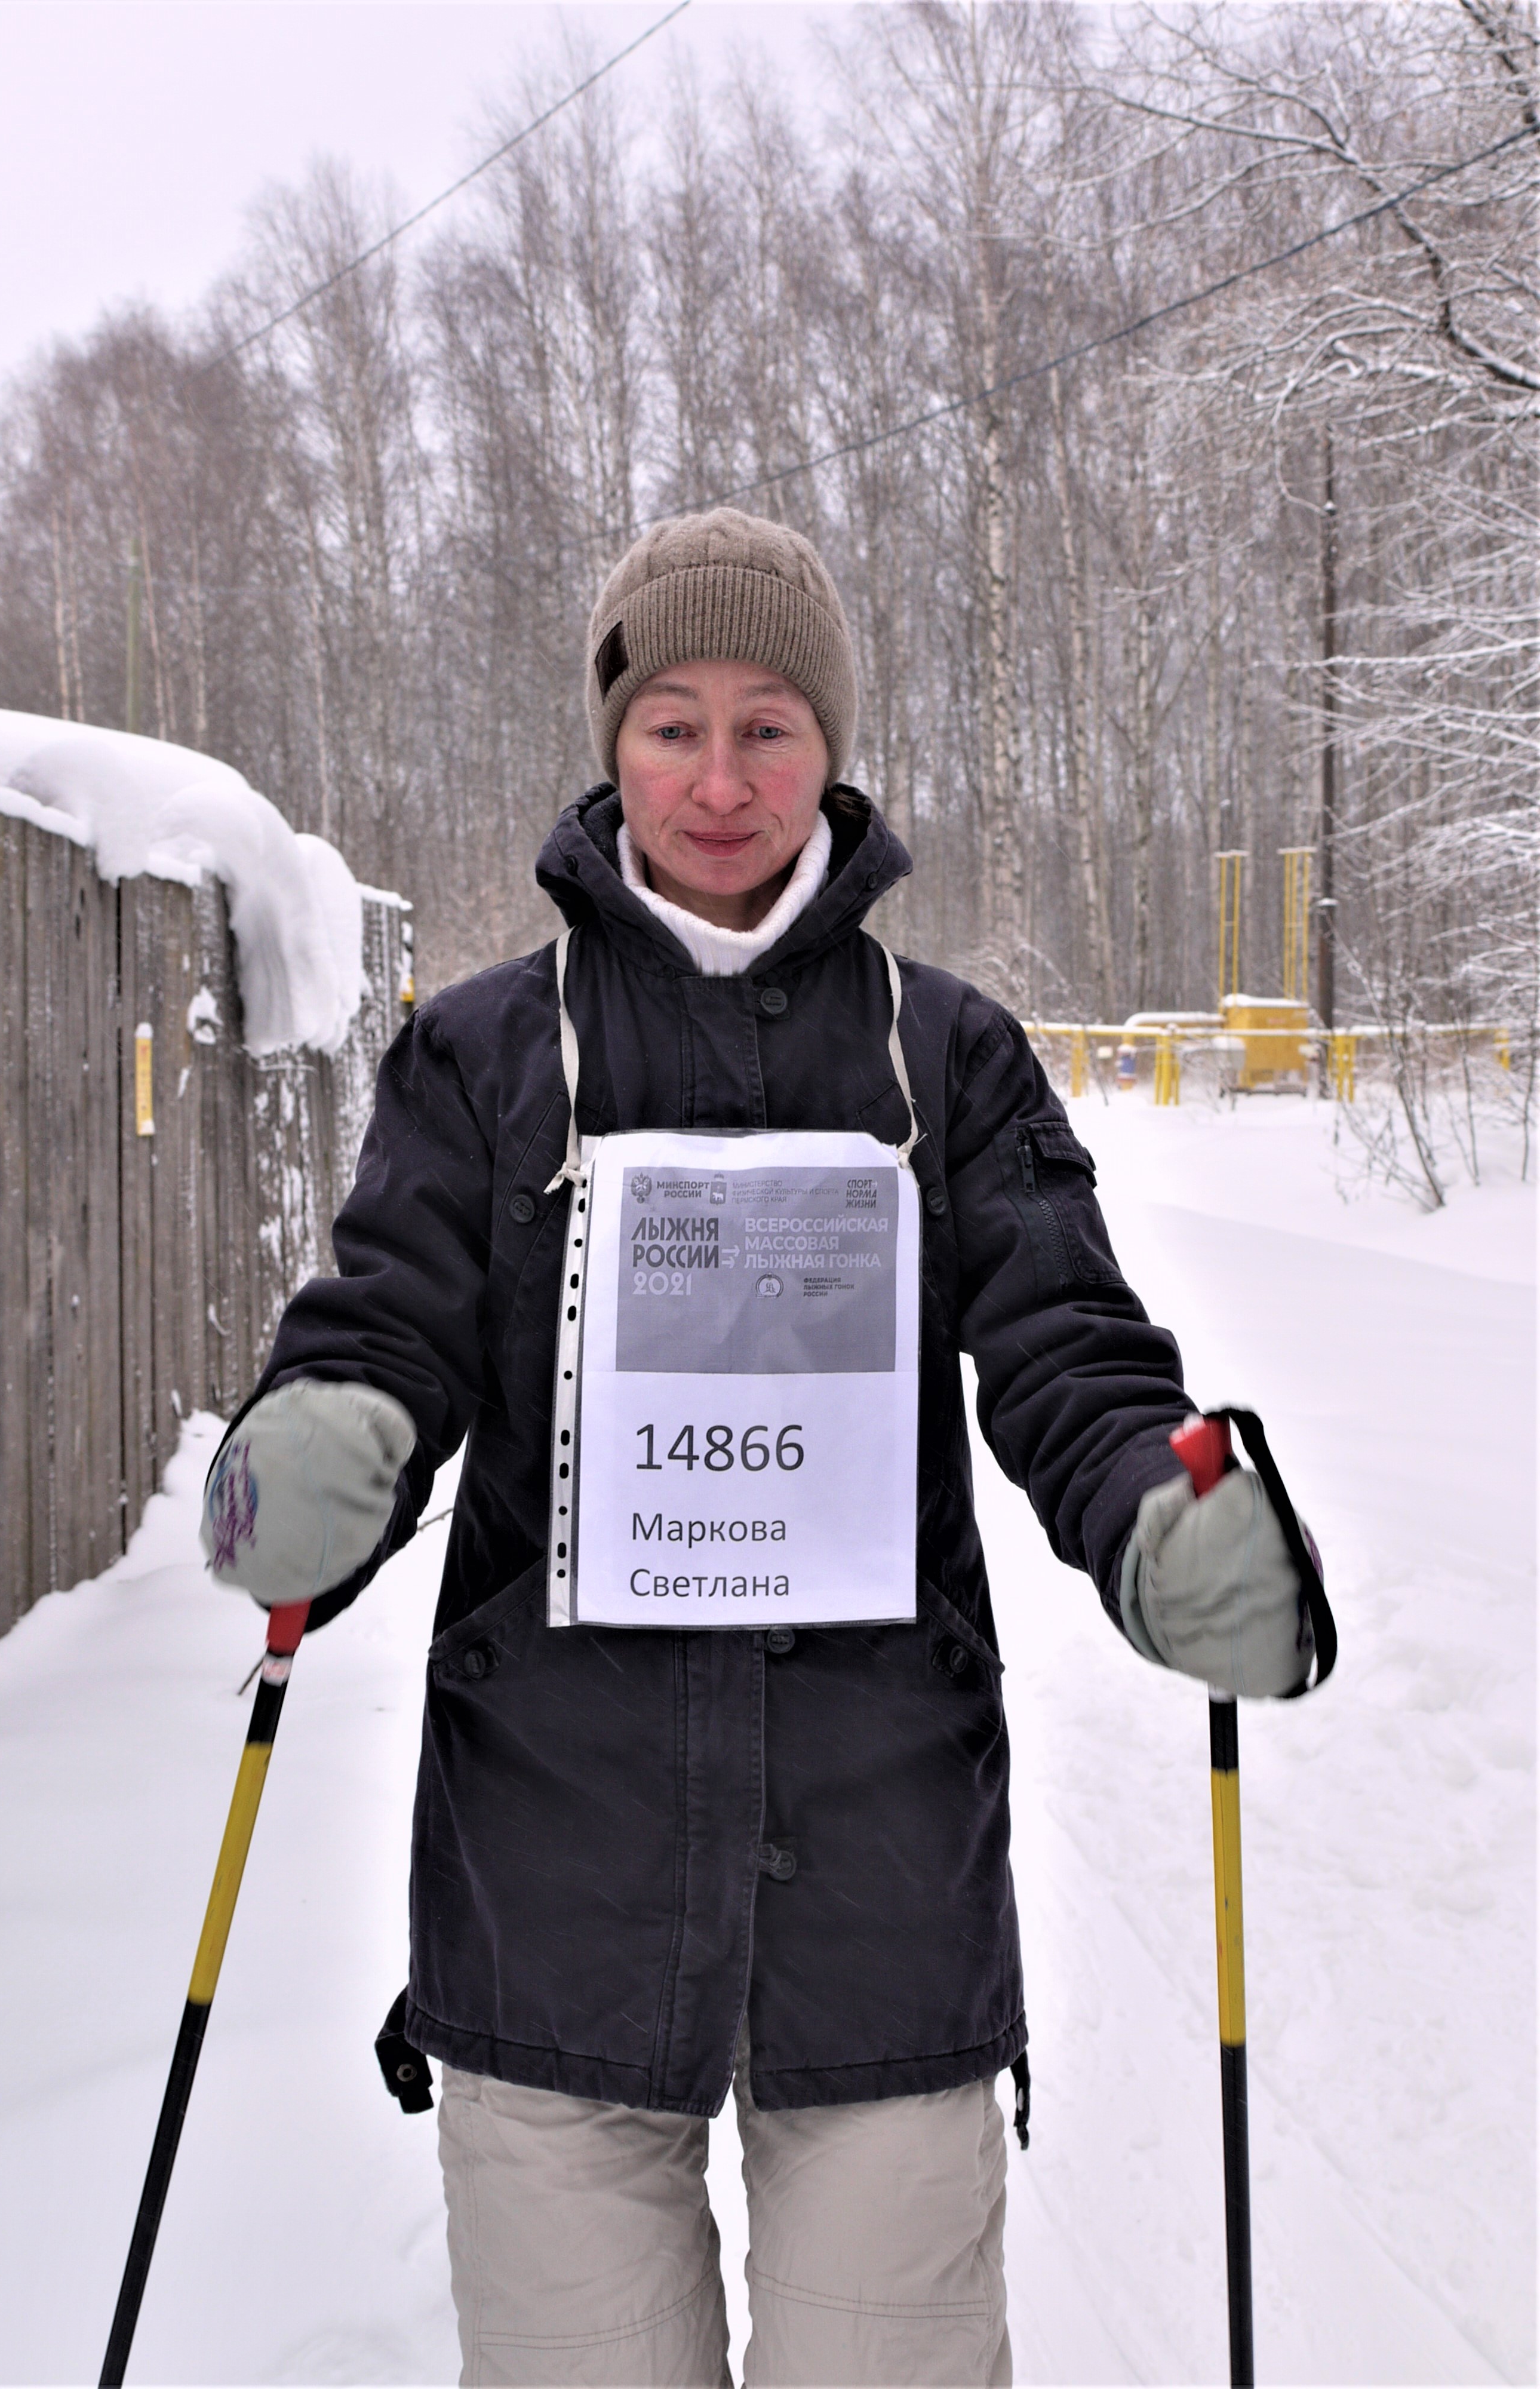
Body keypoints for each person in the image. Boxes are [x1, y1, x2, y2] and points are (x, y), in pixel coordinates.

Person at [203, 508, 1314, 2388]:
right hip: (551, 1883)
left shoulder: (944, 1060)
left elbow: (1069, 1346)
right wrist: (326, 1442)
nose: (719, 781)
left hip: (882, 1888)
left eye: (769, 727)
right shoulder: (484, 1059)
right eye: (673, 727)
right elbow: (389, 1320)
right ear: (613, 744)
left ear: (832, 747)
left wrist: (1158, 1510)